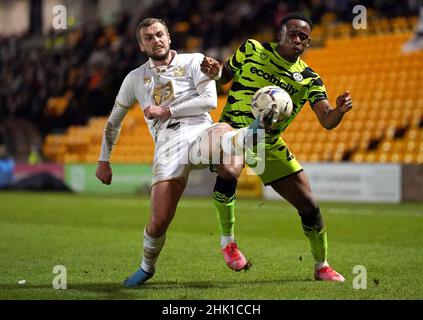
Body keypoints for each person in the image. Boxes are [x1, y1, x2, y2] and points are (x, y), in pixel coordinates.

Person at [95, 18, 277, 287]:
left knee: (223, 130)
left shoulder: (194, 61)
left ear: (169, 37)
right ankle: (146, 268)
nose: (155, 40)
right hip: (168, 143)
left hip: (199, 130)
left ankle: (255, 128)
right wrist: (104, 159)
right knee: (158, 223)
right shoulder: (134, 79)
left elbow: (209, 100)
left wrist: (166, 111)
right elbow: (114, 122)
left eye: (159, 34)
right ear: (141, 45)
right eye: (148, 37)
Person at [200, 12, 353, 282]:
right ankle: (228, 242)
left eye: (304, 37)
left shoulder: (309, 78)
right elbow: (224, 77)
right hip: (233, 129)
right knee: (230, 170)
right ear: (280, 33)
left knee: (308, 204)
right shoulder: (252, 48)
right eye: (293, 33)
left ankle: (322, 266)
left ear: (308, 43)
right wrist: (215, 73)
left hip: (267, 141)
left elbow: (327, 120)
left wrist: (339, 110)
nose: (298, 39)